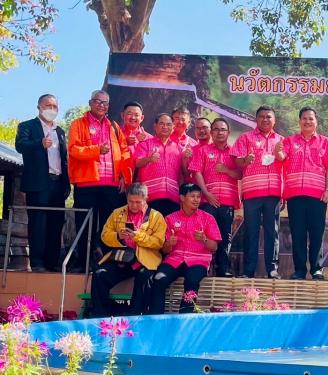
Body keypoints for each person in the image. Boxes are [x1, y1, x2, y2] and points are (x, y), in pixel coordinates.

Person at [68, 90, 133, 270]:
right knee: (84, 224)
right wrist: (96, 150)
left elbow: (125, 151)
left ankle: (106, 263)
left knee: (109, 226)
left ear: (108, 106)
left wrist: (124, 176)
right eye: (97, 101)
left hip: (111, 185)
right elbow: (73, 150)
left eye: (105, 103)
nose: (101, 105)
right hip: (86, 183)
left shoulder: (114, 126)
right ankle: (82, 262)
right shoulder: (78, 124)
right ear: (90, 103)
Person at [90, 183, 166, 317]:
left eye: (138, 202)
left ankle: (134, 315)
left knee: (144, 277)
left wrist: (137, 236)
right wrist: (118, 236)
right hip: (121, 258)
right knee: (100, 274)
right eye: (130, 201)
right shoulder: (117, 213)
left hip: (144, 261)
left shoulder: (156, 216)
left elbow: (159, 242)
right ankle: (100, 315)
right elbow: (104, 236)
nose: (134, 205)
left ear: (146, 199)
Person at [277, 107, 328, 280]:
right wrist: (277, 152)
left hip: (318, 196)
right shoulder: (289, 141)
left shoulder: (325, 142)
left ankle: (316, 269)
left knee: (317, 233)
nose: (307, 121)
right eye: (304, 118)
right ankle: (300, 270)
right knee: (298, 233)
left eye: (311, 119)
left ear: (316, 122)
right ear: (299, 121)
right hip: (295, 195)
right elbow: (281, 157)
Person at [14, 94, 70, 272]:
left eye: (54, 106)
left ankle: (52, 263)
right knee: (38, 223)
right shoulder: (27, 126)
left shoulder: (60, 131)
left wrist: (67, 183)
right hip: (38, 183)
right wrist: (40, 143)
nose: (51, 109)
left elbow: (64, 159)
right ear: (39, 107)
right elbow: (20, 145)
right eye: (48, 105)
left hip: (58, 183)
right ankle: (37, 263)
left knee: (56, 223)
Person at [151, 183, 221, 314]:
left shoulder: (208, 218)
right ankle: (156, 319)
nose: (196, 200)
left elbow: (215, 247)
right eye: (192, 196)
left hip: (198, 260)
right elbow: (164, 250)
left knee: (192, 280)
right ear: (182, 198)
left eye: (198, 197)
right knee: (159, 279)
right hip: (175, 260)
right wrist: (169, 244)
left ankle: (185, 318)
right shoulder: (170, 218)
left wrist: (204, 239)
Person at [232, 106, 283, 279]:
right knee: (251, 232)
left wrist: (284, 194)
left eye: (269, 117)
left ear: (274, 120)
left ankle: (272, 269)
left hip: (273, 193)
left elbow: (286, 165)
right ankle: (248, 270)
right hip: (252, 192)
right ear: (256, 119)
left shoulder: (281, 140)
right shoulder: (245, 137)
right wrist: (246, 160)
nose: (265, 119)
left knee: (272, 232)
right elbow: (237, 162)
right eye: (261, 116)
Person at [190, 118, 242, 277]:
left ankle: (223, 269)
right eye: (216, 129)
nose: (220, 132)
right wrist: (206, 194)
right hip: (208, 201)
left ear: (228, 132)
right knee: (205, 235)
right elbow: (196, 172)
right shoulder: (203, 150)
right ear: (211, 133)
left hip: (227, 201)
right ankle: (202, 268)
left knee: (225, 236)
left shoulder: (234, 152)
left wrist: (227, 170)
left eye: (223, 129)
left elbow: (240, 174)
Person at [134, 113, 185, 216]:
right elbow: (137, 163)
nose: (165, 127)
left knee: (170, 226)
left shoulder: (178, 148)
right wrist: (149, 159)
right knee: (150, 226)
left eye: (168, 124)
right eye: (162, 124)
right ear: (155, 126)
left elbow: (181, 175)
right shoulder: (145, 144)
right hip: (150, 197)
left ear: (173, 127)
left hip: (173, 198)